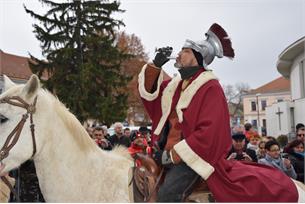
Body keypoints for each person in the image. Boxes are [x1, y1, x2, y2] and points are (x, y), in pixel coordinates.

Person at [137, 23, 299, 202]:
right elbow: (152, 96)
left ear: (198, 58)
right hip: (165, 155)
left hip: (191, 160)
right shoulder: (176, 86)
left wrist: (171, 155)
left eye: (186, 51)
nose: (179, 53)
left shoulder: (210, 88)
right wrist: (155, 66)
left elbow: (209, 134)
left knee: (167, 195)